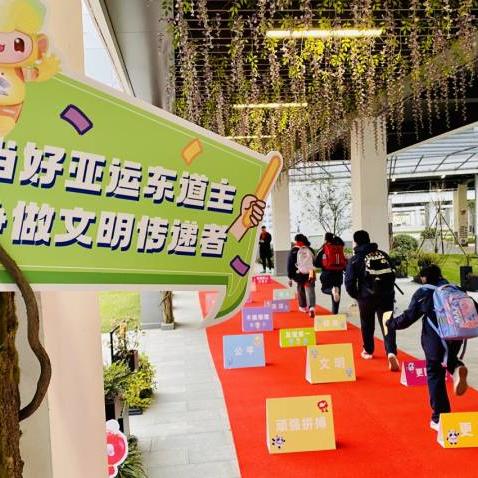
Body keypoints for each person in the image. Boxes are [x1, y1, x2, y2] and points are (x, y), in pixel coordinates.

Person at [384, 265, 469, 431]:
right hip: (457, 336)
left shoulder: (425, 292)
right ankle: (457, 368)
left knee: (435, 372)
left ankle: (440, 417)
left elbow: (408, 317)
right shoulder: (455, 289)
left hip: (436, 338)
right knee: (448, 358)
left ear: (424, 278)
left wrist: (390, 323)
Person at [344, 230, 399, 371]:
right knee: (387, 323)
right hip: (386, 296)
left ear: (356, 242)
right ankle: (391, 351)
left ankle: (368, 350)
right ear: (369, 239)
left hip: (366, 298)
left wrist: (357, 295)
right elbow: (393, 273)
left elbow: (349, 282)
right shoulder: (382, 254)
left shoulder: (355, 259)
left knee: (367, 324)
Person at [315, 232, 347, 314]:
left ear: (326, 239)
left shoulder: (324, 249)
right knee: (337, 294)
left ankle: (331, 290)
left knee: (325, 289)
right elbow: (344, 261)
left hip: (327, 273)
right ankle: (335, 313)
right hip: (338, 274)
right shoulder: (340, 248)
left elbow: (317, 263)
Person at [287, 233, 316, 318]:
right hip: (310, 272)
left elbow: (290, 264)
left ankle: (303, 306)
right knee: (311, 289)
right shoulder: (310, 249)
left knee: (300, 288)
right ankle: (312, 307)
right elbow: (315, 261)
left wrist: (290, 277)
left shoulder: (294, 251)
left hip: (299, 273)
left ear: (298, 241)